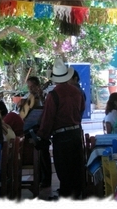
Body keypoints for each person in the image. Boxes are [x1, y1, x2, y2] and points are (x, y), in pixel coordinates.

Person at [37, 58, 85, 199]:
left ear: (54, 79)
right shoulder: (77, 92)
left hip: (61, 136)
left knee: (63, 168)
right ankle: (76, 196)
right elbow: (81, 110)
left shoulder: (53, 95)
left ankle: (65, 196)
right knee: (76, 167)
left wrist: (42, 136)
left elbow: (48, 118)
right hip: (76, 133)